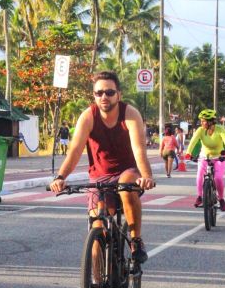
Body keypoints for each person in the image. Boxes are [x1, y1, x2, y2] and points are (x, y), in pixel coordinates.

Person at [49, 70, 155, 264]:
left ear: (118, 94)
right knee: (97, 228)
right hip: (99, 178)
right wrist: (60, 176)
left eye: (109, 92)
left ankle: (136, 240)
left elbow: (139, 150)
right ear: (94, 95)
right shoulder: (88, 116)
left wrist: (146, 176)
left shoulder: (130, 114)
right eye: (99, 93)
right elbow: (74, 151)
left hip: (128, 173)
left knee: (126, 184)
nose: (104, 97)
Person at [185, 109, 225, 211]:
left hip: (219, 157)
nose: (201, 123)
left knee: (218, 178)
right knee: (199, 175)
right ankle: (199, 196)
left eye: (203, 121)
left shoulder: (220, 129)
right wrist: (188, 153)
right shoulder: (200, 130)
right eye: (201, 121)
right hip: (204, 156)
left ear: (211, 121)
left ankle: (222, 199)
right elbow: (193, 142)